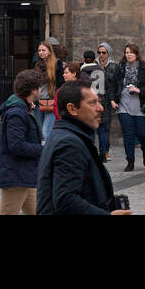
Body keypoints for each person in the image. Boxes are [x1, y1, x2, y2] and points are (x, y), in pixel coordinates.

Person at [37, 83, 129, 215]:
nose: (100, 108)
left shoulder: (69, 135)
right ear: (72, 109)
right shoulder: (69, 143)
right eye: (92, 103)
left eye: (99, 102)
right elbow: (66, 200)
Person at [0, 70, 42, 215]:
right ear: (33, 90)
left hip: (26, 174)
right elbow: (16, 145)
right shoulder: (16, 113)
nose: (41, 90)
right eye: (39, 87)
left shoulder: (23, 109)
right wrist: (43, 149)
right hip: (16, 175)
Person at [115, 42, 145, 171]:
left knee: (143, 134)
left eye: (131, 52)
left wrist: (139, 90)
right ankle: (130, 160)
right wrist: (113, 100)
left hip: (140, 104)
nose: (129, 55)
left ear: (136, 54)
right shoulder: (120, 68)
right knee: (128, 133)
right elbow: (114, 85)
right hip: (124, 103)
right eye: (127, 52)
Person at [34, 40, 62, 142]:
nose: (41, 52)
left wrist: (58, 99)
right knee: (40, 130)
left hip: (51, 99)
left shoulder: (56, 64)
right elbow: (34, 83)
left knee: (46, 132)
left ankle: (46, 156)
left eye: (43, 50)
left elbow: (60, 83)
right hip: (38, 100)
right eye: (39, 50)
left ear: (49, 51)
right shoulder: (37, 65)